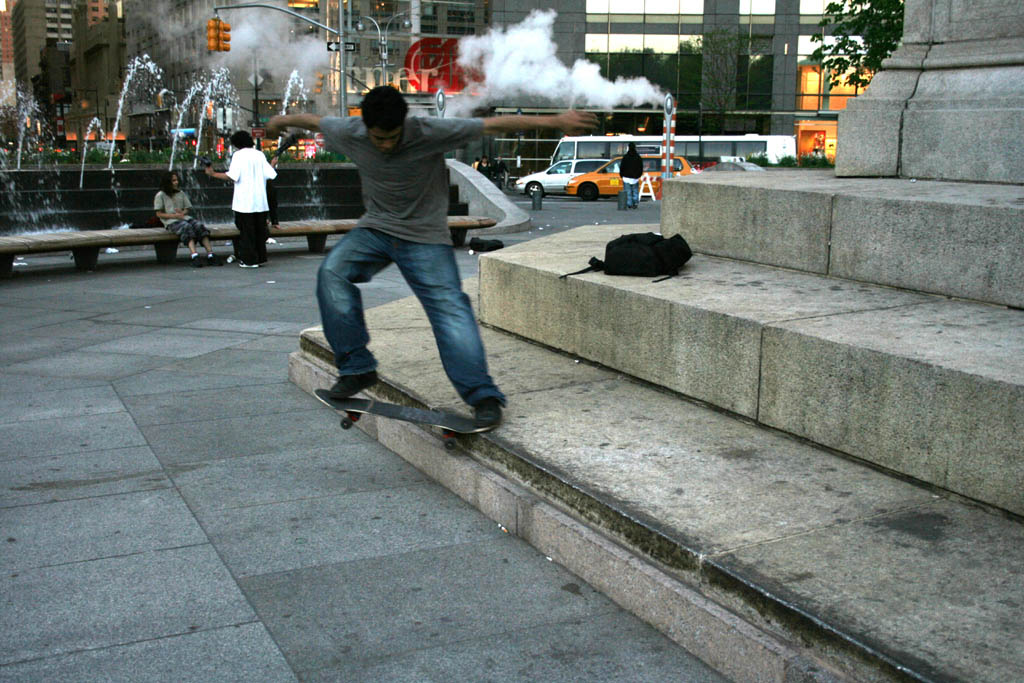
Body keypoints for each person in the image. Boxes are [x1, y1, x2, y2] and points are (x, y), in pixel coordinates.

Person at [266, 86, 596, 427]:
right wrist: (280, 120)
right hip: (376, 229)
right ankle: (357, 368)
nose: (385, 145)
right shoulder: (351, 131)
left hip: (425, 237)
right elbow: (314, 121)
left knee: (450, 309)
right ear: (365, 127)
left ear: (404, 125)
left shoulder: (428, 132)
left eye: (392, 137)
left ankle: (482, 395)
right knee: (332, 274)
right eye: (378, 138)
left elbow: (494, 125)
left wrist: (558, 120)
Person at [205, 130, 277, 268]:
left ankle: (249, 260)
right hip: (260, 201)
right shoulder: (259, 154)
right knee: (259, 232)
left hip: (245, 202)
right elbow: (270, 174)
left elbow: (232, 176)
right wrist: (272, 164)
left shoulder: (238, 155)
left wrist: (213, 173)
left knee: (247, 232)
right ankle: (260, 257)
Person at [153, 171, 222, 267]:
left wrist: (182, 213)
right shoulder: (160, 195)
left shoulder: (180, 193)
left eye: (177, 180)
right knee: (186, 227)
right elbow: (159, 213)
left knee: (199, 226)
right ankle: (194, 255)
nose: (176, 182)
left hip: (184, 218)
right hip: (171, 221)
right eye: (173, 181)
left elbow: (187, 208)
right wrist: (174, 216)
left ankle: (210, 254)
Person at [619, 142, 644, 209]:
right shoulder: (638, 157)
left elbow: (622, 167)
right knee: (635, 191)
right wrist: (638, 175)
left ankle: (629, 203)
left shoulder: (625, 157)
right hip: (635, 177)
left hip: (626, 177)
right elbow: (640, 167)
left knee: (628, 192)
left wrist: (621, 174)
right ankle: (635, 203)